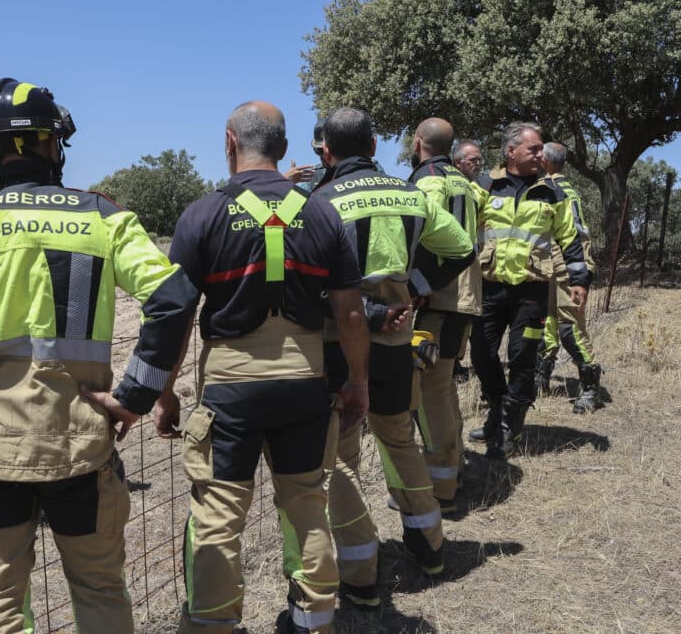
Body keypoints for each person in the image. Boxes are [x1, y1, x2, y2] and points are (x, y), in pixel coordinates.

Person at [0, 78, 197, 634]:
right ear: (49, 144)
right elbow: (173, 298)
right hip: (81, 448)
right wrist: (135, 397)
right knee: (98, 589)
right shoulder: (102, 218)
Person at [165, 101, 369, 634]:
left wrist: (164, 393)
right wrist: (357, 383)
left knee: (217, 517)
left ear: (230, 142)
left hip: (230, 389)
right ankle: (315, 621)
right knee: (306, 503)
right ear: (282, 147)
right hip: (305, 381)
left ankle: (211, 624)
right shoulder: (321, 211)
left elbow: (176, 315)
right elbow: (349, 313)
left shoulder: (202, 213)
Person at [313, 108, 475, 609]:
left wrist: (370, 306)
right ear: (376, 145)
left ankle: (360, 574)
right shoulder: (411, 193)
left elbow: (316, 281)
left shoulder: (319, 200)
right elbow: (462, 246)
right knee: (400, 438)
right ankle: (429, 546)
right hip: (397, 340)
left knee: (340, 458)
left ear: (326, 150)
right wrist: (417, 288)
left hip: (340, 342)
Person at [469, 122, 591, 459]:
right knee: (481, 353)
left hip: (532, 291)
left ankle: (509, 427)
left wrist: (579, 280)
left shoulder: (553, 191)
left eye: (541, 149)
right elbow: (463, 228)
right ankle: (497, 408)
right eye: (534, 149)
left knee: (524, 359)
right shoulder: (485, 185)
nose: (541, 154)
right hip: (489, 288)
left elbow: (570, 237)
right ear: (511, 151)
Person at [408, 118, 482, 512]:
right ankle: (454, 467)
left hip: (437, 300)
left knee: (432, 390)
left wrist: (416, 286)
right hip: (463, 299)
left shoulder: (430, 180)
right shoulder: (464, 182)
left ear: (417, 143)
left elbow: (425, 239)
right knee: (445, 384)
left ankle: (442, 489)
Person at [534, 142, 600, 412]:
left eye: (539, 156)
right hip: (547, 263)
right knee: (545, 322)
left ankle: (590, 387)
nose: (535, 160)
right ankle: (541, 377)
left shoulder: (556, 190)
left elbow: (575, 236)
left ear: (547, 162)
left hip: (566, 265)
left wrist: (580, 272)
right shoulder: (555, 187)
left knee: (570, 328)